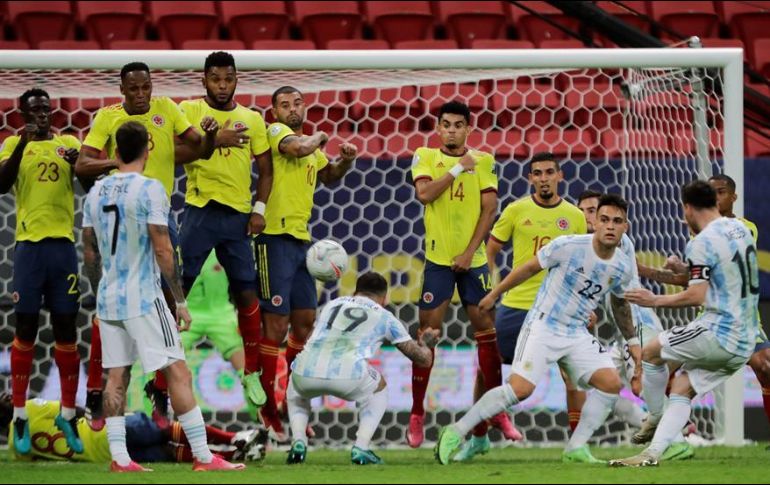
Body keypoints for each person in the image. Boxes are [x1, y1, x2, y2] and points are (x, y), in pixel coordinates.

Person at [81, 121, 242, 472]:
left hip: (110, 299)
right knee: (178, 371)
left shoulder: (95, 192)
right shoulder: (150, 189)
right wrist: (179, 300)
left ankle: (120, 459)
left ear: (113, 152)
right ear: (148, 150)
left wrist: (99, 292)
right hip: (144, 297)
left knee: (116, 376)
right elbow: (163, 246)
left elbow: (89, 251)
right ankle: (202, 457)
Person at [435, 194, 641, 465]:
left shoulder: (623, 266)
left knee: (610, 383)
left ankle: (576, 448)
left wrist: (632, 342)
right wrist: (494, 293)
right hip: (544, 324)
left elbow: (620, 305)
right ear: (594, 222)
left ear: (625, 227)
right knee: (520, 389)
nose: (610, 226)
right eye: (604, 219)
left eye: (617, 221)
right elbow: (529, 268)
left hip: (576, 333)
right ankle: (456, 431)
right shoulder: (568, 246)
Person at [77, 61, 220, 425]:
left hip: (159, 215)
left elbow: (200, 150)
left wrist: (210, 136)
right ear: (122, 90)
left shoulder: (168, 109)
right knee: (115, 305)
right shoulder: (107, 118)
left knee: (166, 302)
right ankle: (97, 391)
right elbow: (81, 166)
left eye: (146, 88)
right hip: (124, 217)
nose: (141, 95)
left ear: (152, 86)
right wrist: (119, 161)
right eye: (133, 89)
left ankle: (157, 391)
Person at [144, 51, 272, 412]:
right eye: (215, 79)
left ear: (236, 80)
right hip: (199, 212)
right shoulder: (189, 111)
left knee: (248, 296)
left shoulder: (252, 118)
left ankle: (252, 372)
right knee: (174, 293)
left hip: (237, 217)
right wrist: (214, 139)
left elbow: (266, 168)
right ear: (204, 80)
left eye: (227, 78)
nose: (221, 85)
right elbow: (175, 154)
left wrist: (259, 209)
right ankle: (158, 381)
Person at [611, 180, 760, 467]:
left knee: (651, 352)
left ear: (688, 208)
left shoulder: (701, 241)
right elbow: (724, 273)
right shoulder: (740, 228)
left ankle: (653, 416)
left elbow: (696, 295)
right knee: (681, 387)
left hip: (720, 331)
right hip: (746, 338)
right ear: (715, 204)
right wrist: (687, 269)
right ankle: (651, 454)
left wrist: (652, 299)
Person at [452, 153, 586, 460]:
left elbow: (582, 263)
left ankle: (577, 445)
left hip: (559, 308)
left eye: (549, 172)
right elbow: (493, 246)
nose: (543, 178)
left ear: (560, 176)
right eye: (537, 173)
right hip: (516, 306)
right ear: (530, 178)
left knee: (574, 376)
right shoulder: (516, 210)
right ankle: (479, 437)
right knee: (487, 372)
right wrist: (489, 286)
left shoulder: (574, 216)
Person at [408, 101, 517, 449]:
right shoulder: (424, 155)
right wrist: (457, 169)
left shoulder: (484, 160)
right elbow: (424, 194)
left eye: (459, 125)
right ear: (438, 128)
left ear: (469, 129)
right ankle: (417, 413)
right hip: (437, 260)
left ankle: (496, 413)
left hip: (474, 263)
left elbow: (489, 210)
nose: (452, 130)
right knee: (428, 336)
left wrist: (472, 252)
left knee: (488, 335)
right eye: (446, 124)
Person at [252, 85, 357, 440]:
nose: (293, 109)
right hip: (272, 239)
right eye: (285, 105)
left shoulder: (310, 148)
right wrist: (322, 137)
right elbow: (299, 148)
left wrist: (346, 160)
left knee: (304, 324)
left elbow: (329, 175)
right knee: (276, 327)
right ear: (275, 112)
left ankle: (288, 401)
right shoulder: (277, 134)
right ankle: (267, 411)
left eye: (298, 103)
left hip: (301, 242)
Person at [0, 88, 83, 455]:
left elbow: (89, 183)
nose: (40, 115)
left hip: (63, 248)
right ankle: (19, 415)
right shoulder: (11, 147)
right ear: (20, 114)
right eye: (33, 110)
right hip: (29, 248)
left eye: (45, 110)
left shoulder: (67, 143)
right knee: (26, 329)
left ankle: (68, 414)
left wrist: (79, 161)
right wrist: (21, 144)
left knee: (66, 330)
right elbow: (1, 184)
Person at [285, 272, 438, 465]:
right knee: (379, 387)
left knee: (295, 384)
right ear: (385, 298)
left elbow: (312, 339)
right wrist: (426, 344)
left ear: (355, 291)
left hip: (305, 373)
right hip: (349, 376)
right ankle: (361, 447)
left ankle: (298, 440)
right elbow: (422, 360)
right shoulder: (385, 316)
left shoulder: (333, 304)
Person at [0, 394, 266, 465]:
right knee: (164, 430)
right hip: (103, 433)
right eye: (4, 398)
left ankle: (235, 456)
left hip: (105, 456)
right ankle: (235, 438)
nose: (9, 396)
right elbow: (73, 411)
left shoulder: (15, 448)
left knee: (169, 453)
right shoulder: (32, 409)